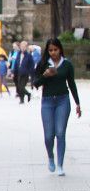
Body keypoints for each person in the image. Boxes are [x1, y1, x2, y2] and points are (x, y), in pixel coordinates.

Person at [32, 37, 82, 176]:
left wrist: (77, 103)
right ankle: (51, 158)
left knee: (60, 133)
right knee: (49, 136)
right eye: (50, 50)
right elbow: (35, 83)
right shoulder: (43, 64)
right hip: (47, 102)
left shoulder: (67, 65)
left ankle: (60, 165)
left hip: (63, 101)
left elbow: (72, 84)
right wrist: (45, 75)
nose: (53, 52)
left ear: (60, 49)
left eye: (55, 49)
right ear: (47, 51)